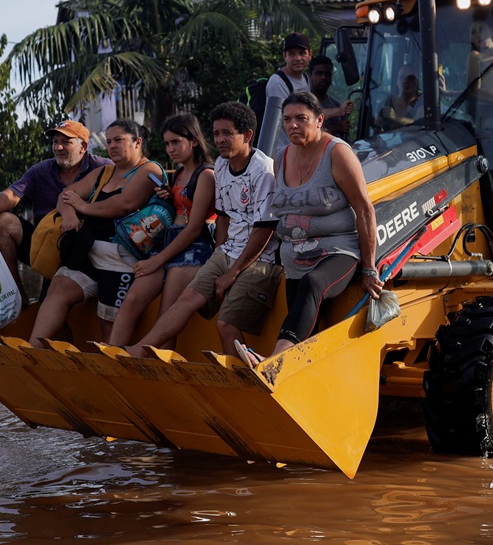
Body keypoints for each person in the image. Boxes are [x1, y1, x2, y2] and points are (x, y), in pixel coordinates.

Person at [122, 102, 282, 359]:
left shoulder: (263, 171)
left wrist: (233, 271)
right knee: (185, 300)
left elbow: (264, 231)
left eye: (227, 133)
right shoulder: (221, 164)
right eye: (216, 133)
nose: (219, 139)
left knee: (225, 324)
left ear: (248, 135)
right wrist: (220, 256)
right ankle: (139, 351)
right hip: (227, 251)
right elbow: (223, 217)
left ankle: (242, 384)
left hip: (259, 258)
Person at [237, 91, 382, 366]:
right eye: (287, 119)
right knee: (305, 333)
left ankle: (274, 361)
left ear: (319, 120)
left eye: (301, 118)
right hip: (294, 259)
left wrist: (369, 268)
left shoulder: (337, 153)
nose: (293, 125)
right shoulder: (281, 157)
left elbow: (364, 209)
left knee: (312, 285)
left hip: (338, 251)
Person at [27, 119, 163, 345]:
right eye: (109, 141)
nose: (112, 146)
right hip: (90, 255)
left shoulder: (150, 170)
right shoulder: (104, 172)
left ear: (137, 142)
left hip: (123, 261)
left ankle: (111, 373)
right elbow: (66, 196)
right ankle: (32, 351)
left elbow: (126, 203)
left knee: (108, 325)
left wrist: (83, 207)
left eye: (119, 140)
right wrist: (70, 214)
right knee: (58, 286)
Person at [108, 113, 217, 347]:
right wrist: (168, 197)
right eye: (167, 143)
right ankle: (111, 357)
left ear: (194, 140)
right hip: (169, 244)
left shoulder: (206, 175)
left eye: (176, 142)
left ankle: (161, 374)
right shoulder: (178, 173)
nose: (170, 149)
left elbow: (194, 228)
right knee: (133, 299)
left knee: (165, 318)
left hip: (192, 249)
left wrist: (155, 262)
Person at [0, 120, 109, 293]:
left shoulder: (103, 167)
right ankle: (17, 296)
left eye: (66, 142)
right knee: (4, 222)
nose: (58, 148)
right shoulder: (40, 171)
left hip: (87, 248)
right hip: (45, 244)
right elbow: (12, 195)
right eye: (55, 142)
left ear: (83, 146)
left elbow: (131, 184)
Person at [267, 32, 313, 155]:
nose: (297, 58)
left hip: (299, 148)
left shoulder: (305, 78)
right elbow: (282, 121)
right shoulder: (277, 83)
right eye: (292, 54)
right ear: (284, 56)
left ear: (310, 54)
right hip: (281, 151)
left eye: (302, 53)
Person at [308, 55, 354, 139]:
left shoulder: (335, 104)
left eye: (327, 74)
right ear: (310, 75)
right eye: (319, 73)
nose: (323, 77)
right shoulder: (304, 102)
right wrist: (334, 128)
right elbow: (307, 131)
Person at [378, 67, 423, 131]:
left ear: (416, 82)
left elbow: (419, 124)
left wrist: (396, 117)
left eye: (410, 78)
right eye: (402, 77)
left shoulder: (421, 103)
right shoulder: (387, 103)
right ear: (397, 81)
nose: (405, 81)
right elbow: (376, 127)